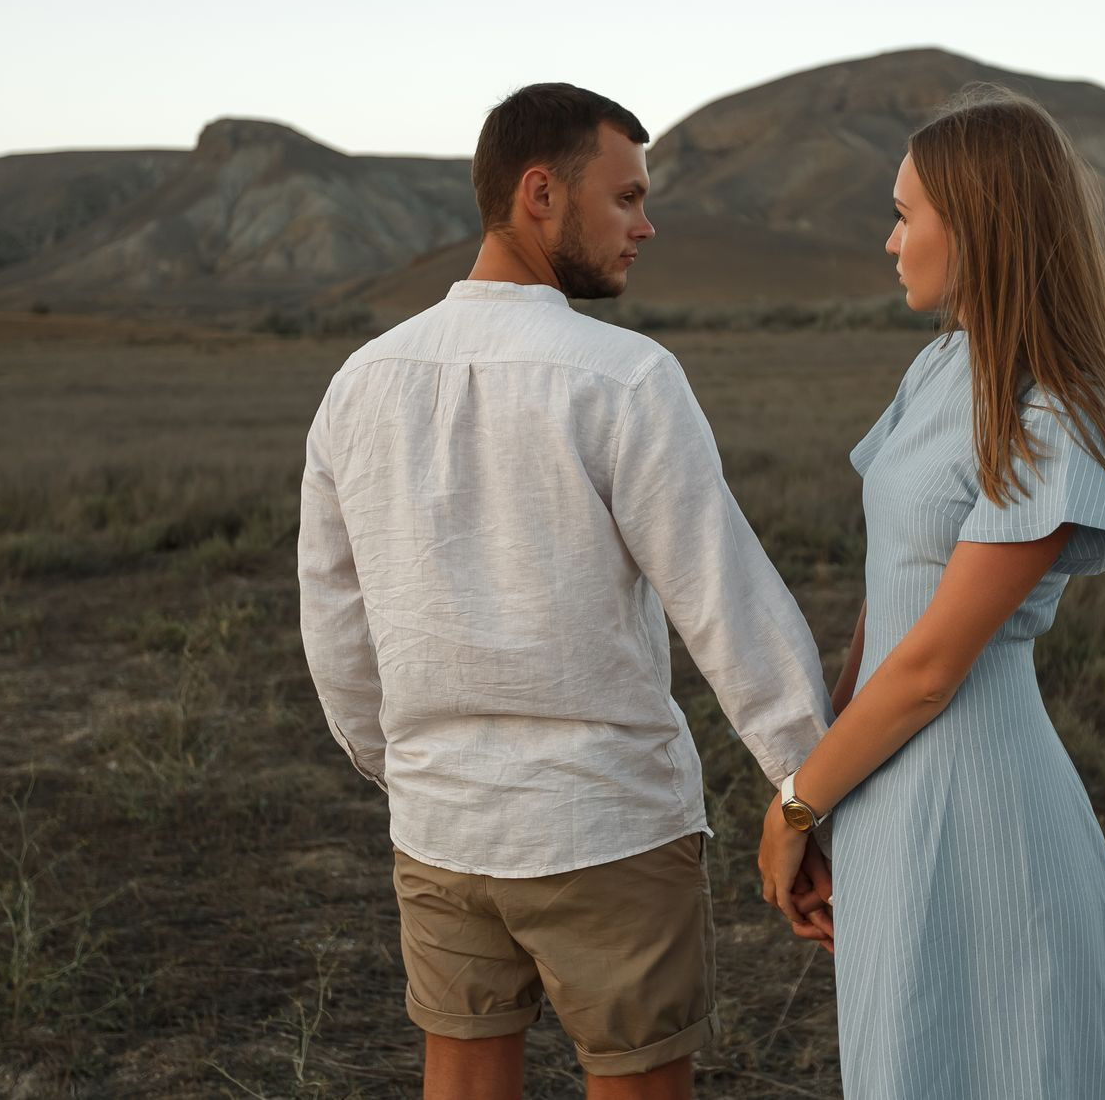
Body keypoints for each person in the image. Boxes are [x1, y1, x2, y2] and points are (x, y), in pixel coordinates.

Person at [298, 82, 832, 1099]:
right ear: (540, 194)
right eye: (625, 197)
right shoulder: (623, 377)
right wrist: (808, 786)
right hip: (606, 826)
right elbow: (726, 604)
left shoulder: (361, 381)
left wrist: (404, 767)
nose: (647, 223)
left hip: (440, 827)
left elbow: (333, 621)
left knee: (459, 1077)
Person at [757, 85, 1105, 1096]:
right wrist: (830, 798)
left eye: (906, 215)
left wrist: (792, 803)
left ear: (981, 227)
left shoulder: (1051, 404)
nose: (889, 241)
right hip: (885, 782)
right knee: (910, 1053)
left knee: (1005, 1056)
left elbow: (934, 666)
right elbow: (887, 600)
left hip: (979, 794)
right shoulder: (940, 366)